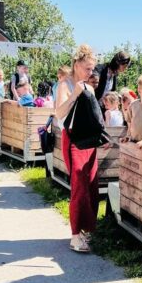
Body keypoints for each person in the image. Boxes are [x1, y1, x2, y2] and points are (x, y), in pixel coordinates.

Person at [55, 44, 101, 253]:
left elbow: (95, 117)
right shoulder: (66, 84)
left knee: (91, 186)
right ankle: (75, 235)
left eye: (92, 69)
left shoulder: (89, 87)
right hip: (73, 139)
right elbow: (59, 113)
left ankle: (87, 230)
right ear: (76, 65)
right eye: (86, 68)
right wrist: (75, 94)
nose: (90, 73)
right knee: (79, 186)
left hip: (89, 141)